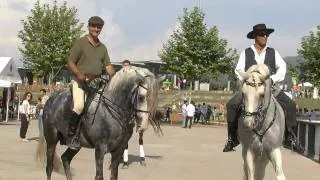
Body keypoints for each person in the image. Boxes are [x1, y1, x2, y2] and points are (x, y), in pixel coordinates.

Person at [222, 23, 304, 153]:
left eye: (266, 34)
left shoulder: (273, 52)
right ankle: (232, 138)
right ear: (255, 36)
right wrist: (248, 77)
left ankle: (290, 138)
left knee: (290, 104)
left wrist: (272, 79)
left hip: (270, 88)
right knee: (231, 105)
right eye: (262, 34)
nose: (265, 37)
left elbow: (282, 68)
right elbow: (238, 70)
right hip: (250, 88)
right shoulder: (246, 53)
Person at [66, 16, 115, 149]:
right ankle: (71, 135)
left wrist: (115, 77)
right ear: (88, 27)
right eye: (93, 26)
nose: (96, 29)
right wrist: (78, 73)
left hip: (97, 82)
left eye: (99, 27)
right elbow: (70, 62)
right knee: (79, 106)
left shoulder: (102, 47)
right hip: (81, 82)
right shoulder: (81, 43)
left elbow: (108, 66)